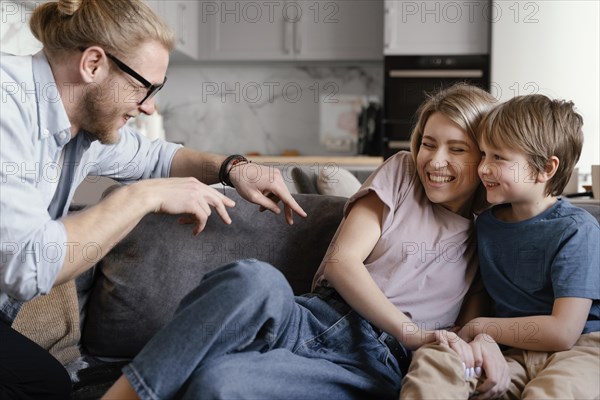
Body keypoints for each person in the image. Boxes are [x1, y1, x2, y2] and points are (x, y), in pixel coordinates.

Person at [101, 83, 509, 400]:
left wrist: (483, 341)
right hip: (312, 317)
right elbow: (342, 263)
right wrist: (410, 330)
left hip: (372, 364)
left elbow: (469, 324)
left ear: (486, 158)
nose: (435, 161)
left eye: (457, 150)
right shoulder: (402, 172)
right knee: (254, 279)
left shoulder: (492, 231)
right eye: (428, 143)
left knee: (221, 384)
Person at [0, 1, 306, 398]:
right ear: (93, 64)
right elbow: (27, 264)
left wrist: (232, 168)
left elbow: (157, 156)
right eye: (143, 86)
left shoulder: (81, 126)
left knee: (45, 383)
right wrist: (142, 196)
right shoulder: (8, 103)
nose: (149, 106)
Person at [400, 94, 600, 399]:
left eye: (498, 158)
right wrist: (471, 335)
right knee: (435, 359)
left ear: (546, 168)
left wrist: (481, 327)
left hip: (580, 350)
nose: (483, 168)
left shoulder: (576, 230)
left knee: (553, 391)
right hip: (510, 352)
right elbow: (480, 291)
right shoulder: (486, 225)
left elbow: (563, 331)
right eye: (483, 154)